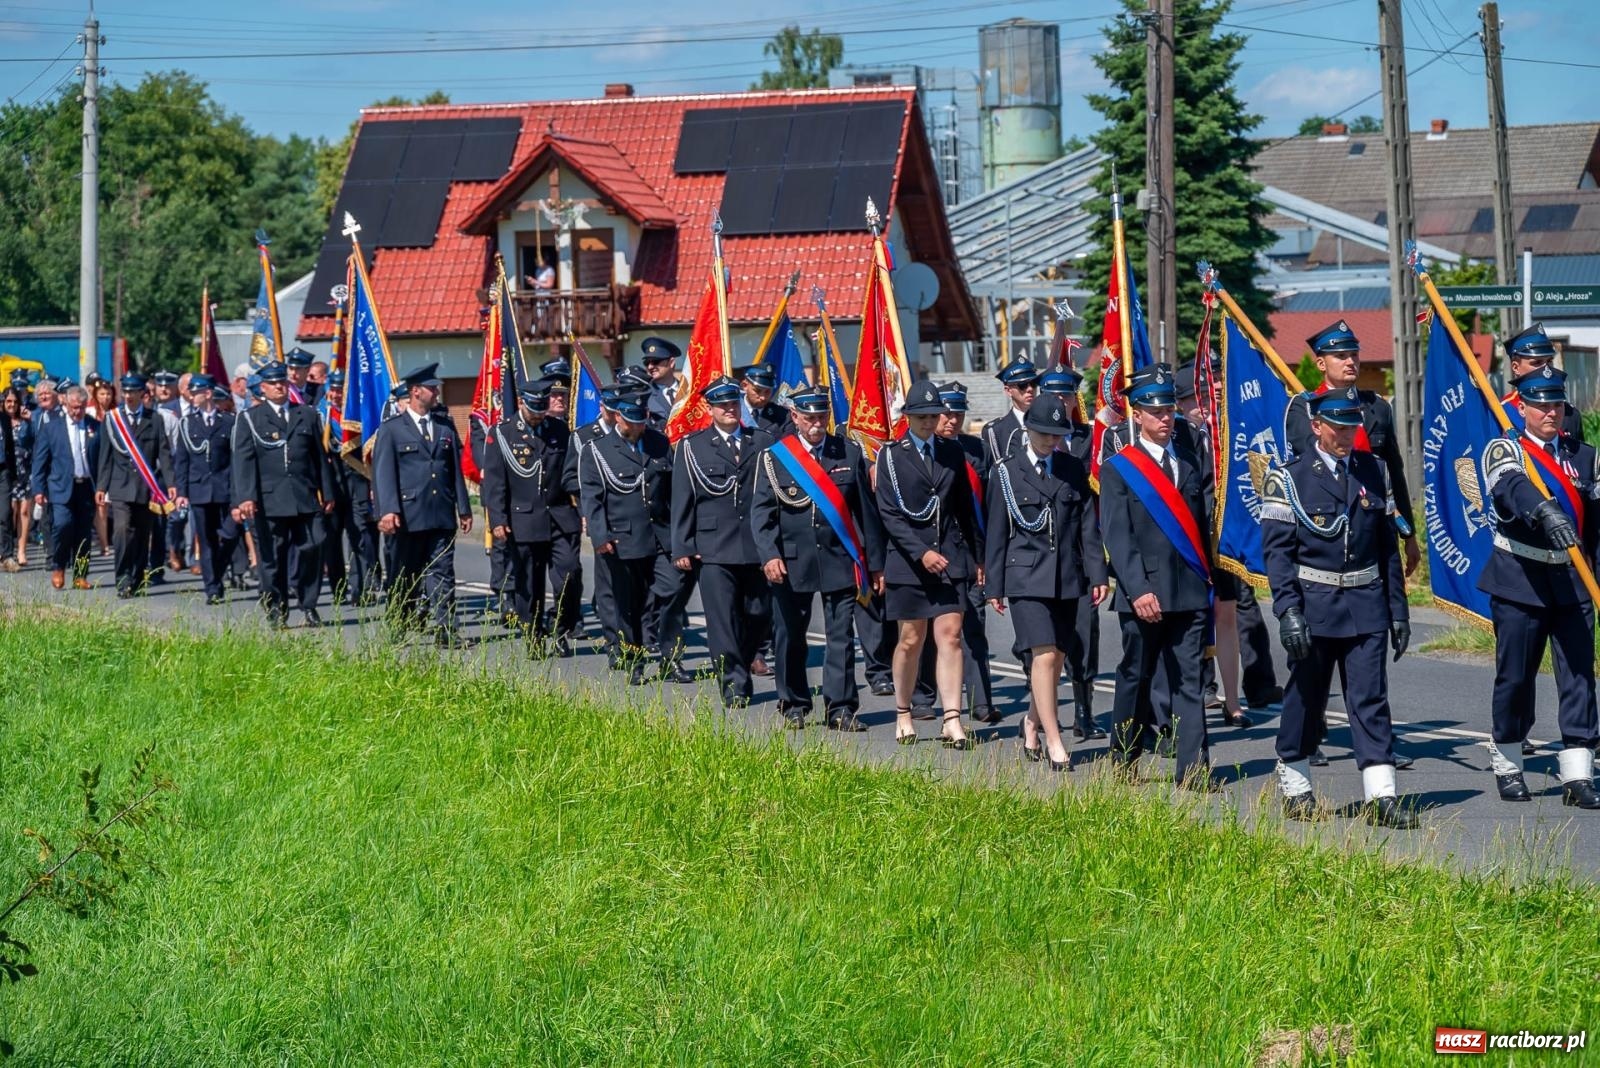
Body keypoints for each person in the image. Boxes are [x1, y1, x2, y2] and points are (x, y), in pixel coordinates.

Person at [1260, 387, 1416, 827]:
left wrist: (1398, 610)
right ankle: (1295, 778)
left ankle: (1381, 794)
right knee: (1307, 697)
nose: (1347, 435)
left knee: (1370, 698)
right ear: (1317, 427)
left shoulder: (1374, 470)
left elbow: (1386, 549)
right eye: (1338, 427)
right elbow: (1278, 555)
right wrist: (1288, 611)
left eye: (1352, 427)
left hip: (1366, 604)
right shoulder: (1288, 477)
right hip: (1315, 605)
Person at [1477, 365, 1600, 809]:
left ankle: (1577, 774)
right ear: (1522, 406)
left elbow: (1597, 528)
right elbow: (1512, 488)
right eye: (1540, 403)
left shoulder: (1585, 457)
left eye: (1556, 403)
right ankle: (1509, 760)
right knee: (1516, 677)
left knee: (1579, 676)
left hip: (1572, 582)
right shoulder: (1505, 450)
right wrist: (1546, 512)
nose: (1550, 411)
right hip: (1520, 580)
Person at [1098, 364, 1215, 789]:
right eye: (1156, 411)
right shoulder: (1119, 468)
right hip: (1143, 594)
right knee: (1136, 676)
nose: (1166, 418)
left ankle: (1193, 770)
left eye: (1169, 410)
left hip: (1187, 588)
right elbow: (1118, 535)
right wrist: (1138, 589)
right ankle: (1124, 758)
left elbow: (1202, 526)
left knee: (1190, 681)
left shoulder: (1190, 456)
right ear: (1138, 415)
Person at [985, 392, 1108, 770]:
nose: (1051, 441)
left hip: (1068, 577)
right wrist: (994, 585)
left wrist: (1098, 573)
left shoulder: (1072, 468)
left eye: (1057, 434)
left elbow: (1087, 526)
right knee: (1044, 654)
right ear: (1029, 430)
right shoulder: (1007, 471)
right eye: (1044, 434)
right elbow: (996, 531)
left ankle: (1032, 721)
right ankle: (1055, 741)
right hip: (1024, 578)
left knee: (1058, 658)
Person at [751, 384, 884, 729]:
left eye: (821, 417)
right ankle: (794, 703)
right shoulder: (776, 456)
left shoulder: (848, 453)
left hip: (840, 557)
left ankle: (840, 708)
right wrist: (769, 555)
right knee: (791, 635)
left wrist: (875, 563)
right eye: (809, 417)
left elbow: (865, 513)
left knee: (840, 636)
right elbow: (761, 514)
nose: (816, 424)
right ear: (794, 416)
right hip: (792, 561)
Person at [877, 379, 984, 750]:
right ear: (908, 417)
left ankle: (952, 717)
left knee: (951, 635)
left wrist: (977, 557)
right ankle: (903, 711)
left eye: (933, 415)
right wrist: (920, 552)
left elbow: (965, 510)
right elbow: (889, 515)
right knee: (910, 639)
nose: (928, 422)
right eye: (920, 416)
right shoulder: (890, 455)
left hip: (950, 554)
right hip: (909, 561)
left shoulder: (952, 452)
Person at [1284, 319, 1421, 577]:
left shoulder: (1378, 407)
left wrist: (1409, 534)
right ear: (1321, 364)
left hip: (1379, 520)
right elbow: (1308, 473)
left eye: (1354, 355)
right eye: (1341, 356)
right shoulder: (1305, 410)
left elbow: (1394, 472)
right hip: (1330, 526)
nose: (1351, 362)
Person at [672, 375, 774, 708]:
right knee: (722, 619)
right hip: (713, 546)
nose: (729, 409)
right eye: (722, 404)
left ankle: (742, 661)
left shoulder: (762, 442)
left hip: (756, 545)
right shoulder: (693, 446)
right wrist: (682, 545)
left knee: (760, 613)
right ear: (709, 408)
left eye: (733, 402)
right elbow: (683, 499)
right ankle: (733, 682)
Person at [909, 382, 998, 724]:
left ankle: (980, 700)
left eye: (958, 413)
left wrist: (982, 556)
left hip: (967, 552)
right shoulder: (920, 451)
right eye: (946, 413)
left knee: (973, 627)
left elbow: (984, 504)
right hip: (933, 550)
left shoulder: (974, 449)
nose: (952, 420)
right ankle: (923, 696)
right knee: (932, 629)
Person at [577, 393, 682, 685]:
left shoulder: (659, 443)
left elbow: (673, 490)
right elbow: (592, 499)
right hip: (624, 539)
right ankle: (634, 660)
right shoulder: (597, 451)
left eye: (641, 422)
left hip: (661, 537)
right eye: (632, 422)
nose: (637, 428)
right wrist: (599, 535)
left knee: (672, 591)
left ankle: (671, 659)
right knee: (630, 605)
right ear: (618, 417)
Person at [373, 363, 473, 645]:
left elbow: (453, 469)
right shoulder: (392, 430)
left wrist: (463, 508)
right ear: (415, 391)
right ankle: (399, 626)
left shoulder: (444, 425)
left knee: (443, 574)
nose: (436, 392)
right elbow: (384, 473)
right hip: (408, 516)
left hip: (440, 514)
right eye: (431, 388)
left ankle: (446, 632)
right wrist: (388, 510)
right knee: (405, 575)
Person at [232, 361, 336, 628]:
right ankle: (276, 608)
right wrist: (245, 497)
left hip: (304, 496)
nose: (279, 386)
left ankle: (309, 604)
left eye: (282, 382)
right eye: (273, 383)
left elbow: (319, 458)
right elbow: (243, 461)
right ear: (263, 388)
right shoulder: (250, 419)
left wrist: (327, 491)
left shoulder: (307, 414)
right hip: (269, 500)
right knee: (272, 560)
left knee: (313, 547)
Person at [1038, 367, 1106, 739]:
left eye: (1066, 396)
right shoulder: (1026, 440)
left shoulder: (1089, 440)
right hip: (1037, 556)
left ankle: (1084, 711)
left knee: (1083, 635)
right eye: (1053, 395)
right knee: (1040, 641)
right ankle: (1039, 714)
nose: (1060, 402)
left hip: (1079, 553)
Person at [481, 382, 563, 653]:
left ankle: (561, 625)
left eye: (542, 408)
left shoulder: (558, 429)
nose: (539, 414)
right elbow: (494, 482)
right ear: (521, 403)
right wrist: (498, 520)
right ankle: (533, 633)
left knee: (569, 574)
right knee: (529, 581)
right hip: (523, 519)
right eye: (533, 409)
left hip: (559, 518)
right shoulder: (502, 433)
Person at [95, 373, 175, 599]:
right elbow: (105, 455)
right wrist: (101, 486)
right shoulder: (112, 420)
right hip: (120, 486)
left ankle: (138, 577)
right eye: (126, 391)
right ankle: (122, 578)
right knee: (122, 530)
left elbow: (164, 453)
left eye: (133, 391)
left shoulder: (155, 419)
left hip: (146, 487)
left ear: (143, 393)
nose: (129, 396)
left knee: (141, 533)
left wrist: (170, 483)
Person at [172, 374, 240, 605]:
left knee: (230, 535)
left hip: (225, 488)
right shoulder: (187, 423)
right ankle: (212, 587)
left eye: (196, 392)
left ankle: (217, 574)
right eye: (190, 393)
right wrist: (181, 492)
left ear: (208, 393)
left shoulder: (229, 422)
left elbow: (235, 459)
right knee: (207, 540)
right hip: (199, 490)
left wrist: (237, 490)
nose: (192, 397)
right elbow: (181, 461)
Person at [30, 385, 98, 590]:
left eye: (81, 407)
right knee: (62, 525)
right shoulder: (52, 428)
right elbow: (40, 461)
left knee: (84, 533)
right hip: (60, 487)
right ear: (65, 404)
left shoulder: (95, 426)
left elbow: (102, 458)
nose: (77, 412)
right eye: (73, 407)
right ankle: (58, 565)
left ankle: (80, 575)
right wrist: (38, 489)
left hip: (86, 486)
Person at [321, 372, 379, 606]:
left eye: (340, 390)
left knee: (360, 538)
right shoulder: (319, 417)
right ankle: (338, 587)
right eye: (332, 390)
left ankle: (360, 589)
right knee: (332, 541)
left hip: (357, 483)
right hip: (332, 488)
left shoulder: (358, 416)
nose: (336, 395)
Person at [1498, 323, 1584, 443]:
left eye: (1549, 362)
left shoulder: (1570, 414)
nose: (1546, 369)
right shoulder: (1500, 412)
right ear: (1516, 368)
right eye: (1537, 362)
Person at [981, 358, 1040, 464]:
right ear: (1008, 391)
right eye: (1023, 385)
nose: (1030, 389)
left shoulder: (1047, 423)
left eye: (1034, 383)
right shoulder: (995, 431)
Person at [737, 363, 792, 436]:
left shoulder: (783, 415)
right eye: (757, 391)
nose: (763, 397)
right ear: (744, 386)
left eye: (767, 391)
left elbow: (788, 444)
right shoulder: (732, 412)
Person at [0, 389, 20, 571]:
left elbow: (10, 448)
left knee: (5, 513)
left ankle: (7, 555)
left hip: (3, 470)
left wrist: (13, 474)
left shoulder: (4, 419)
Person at [641, 337, 682, 427]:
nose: (650, 367)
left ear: (671, 362)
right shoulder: (644, 395)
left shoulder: (687, 391)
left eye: (656, 361)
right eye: (647, 363)